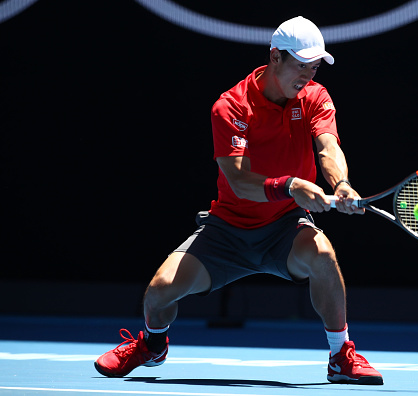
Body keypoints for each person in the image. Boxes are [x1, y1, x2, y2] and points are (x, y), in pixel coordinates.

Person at [94, 16, 383, 385]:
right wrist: (291, 185)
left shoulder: (315, 96)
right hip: (226, 231)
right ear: (275, 57)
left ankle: (341, 357)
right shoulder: (231, 107)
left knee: (323, 256)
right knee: (158, 293)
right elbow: (239, 180)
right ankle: (152, 345)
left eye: (313, 67)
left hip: (284, 228)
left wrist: (341, 183)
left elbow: (328, 146)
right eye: (300, 65)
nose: (307, 75)